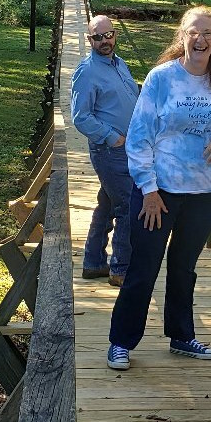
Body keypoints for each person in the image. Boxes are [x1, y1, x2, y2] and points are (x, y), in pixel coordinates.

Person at [107, 5, 211, 370]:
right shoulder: (161, 78)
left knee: (185, 267)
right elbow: (138, 139)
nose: (200, 39)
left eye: (207, 33)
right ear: (182, 36)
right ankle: (121, 342)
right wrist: (149, 190)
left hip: (205, 193)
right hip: (160, 192)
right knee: (143, 267)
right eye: (193, 32)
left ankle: (182, 336)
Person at [71, 15, 139, 287]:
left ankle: (93, 262)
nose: (105, 41)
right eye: (98, 37)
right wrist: (113, 138)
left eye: (108, 35)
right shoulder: (87, 71)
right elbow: (80, 116)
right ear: (90, 40)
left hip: (129, 148)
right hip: (110, 151)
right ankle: (121, 269)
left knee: (108, 203)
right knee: (128, 206)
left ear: (115, 35)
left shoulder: (119, 64)